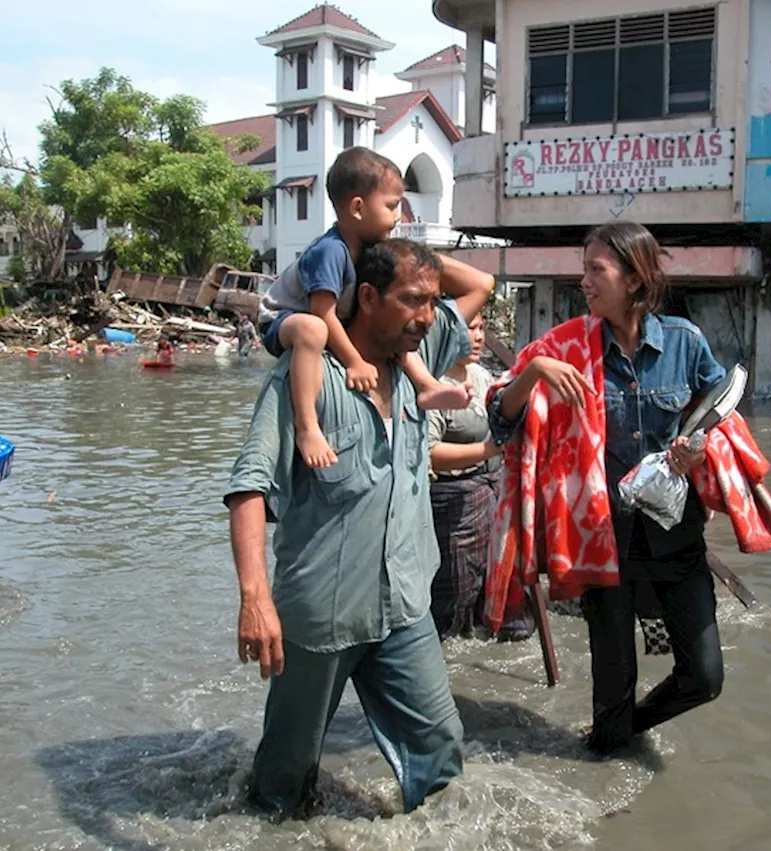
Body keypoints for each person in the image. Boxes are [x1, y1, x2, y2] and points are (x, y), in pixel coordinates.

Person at [226, 239, 495, 816]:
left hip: (403, 606)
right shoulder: (307, 374)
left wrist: (385, 241)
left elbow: (479, 285)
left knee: (441, 747)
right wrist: (254, 596)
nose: (427, 316)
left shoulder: (418, 357)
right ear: (367, 297)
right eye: (412, 300)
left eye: (432, 301)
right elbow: (249, 485)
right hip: (321, 616)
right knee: (285, 783)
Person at [488, 221, 728, 756]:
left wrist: (699, 447)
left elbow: (720, 415)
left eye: (596, 270)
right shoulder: (565, 346)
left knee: (704, 678)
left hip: (676, 537)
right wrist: (534, 372)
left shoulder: (685, 344)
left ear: (634, 277)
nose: (585, 282)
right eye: (584, 269)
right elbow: (501, 418)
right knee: (612, 690)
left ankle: (619, 732)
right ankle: (611, 741)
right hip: (603, 543)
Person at [257, 147, 469, 470]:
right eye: (391, 206)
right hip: (282, 319)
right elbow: (322, 313)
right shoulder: (330, 252)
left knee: (391, 330)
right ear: (358, 207)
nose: (398, 216)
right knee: (312, 332)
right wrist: (354, 361)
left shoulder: (364, 249)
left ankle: (426, 385)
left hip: (325, 319)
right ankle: (308, 427)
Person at [426, 312, 533, 641]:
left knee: (497, 577)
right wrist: (490, 450)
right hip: (453, 502)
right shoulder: (434, 385)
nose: (477, 337)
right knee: (455, 589)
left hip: (494, 493)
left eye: (481, 328)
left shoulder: (481, 375)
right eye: (468, 328)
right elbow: (428, 454)